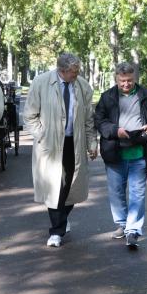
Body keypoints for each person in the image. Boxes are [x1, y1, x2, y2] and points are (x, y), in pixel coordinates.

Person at [23, 53, 97, 248]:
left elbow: (89, 119)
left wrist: (92, 143)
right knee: (55, 186)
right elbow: (29, 116)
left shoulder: (82, 86)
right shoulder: (41, 83)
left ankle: (62, 218)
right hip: (50, 146)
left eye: (78, 71)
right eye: (73, 73)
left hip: (75, 143)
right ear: (61, 71)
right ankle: (56, 231)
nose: (77, 75)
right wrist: (43, 135)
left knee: (72, 185)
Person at [94, 62, 147, 249]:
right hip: (114, 151)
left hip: (139, 153)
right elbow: (99, 121)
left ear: (135, 78)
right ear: (116, 78)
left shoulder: (146, 96)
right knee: (116, 192)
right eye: (122, 80)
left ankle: (133, 230)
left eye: (130, 80)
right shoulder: (107, 97)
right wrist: (114, 131)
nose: (126, 84)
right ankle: (122, 224)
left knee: (137, 194)